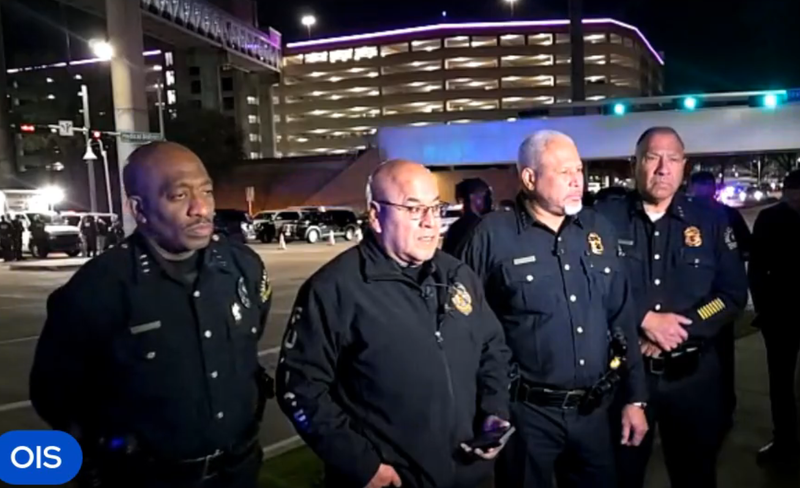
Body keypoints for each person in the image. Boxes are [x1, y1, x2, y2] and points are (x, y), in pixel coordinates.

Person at [30, 141, 273, 488]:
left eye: (206, 191)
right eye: (179, 196)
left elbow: (252, 341)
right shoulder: (98, 289)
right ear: (139, 210)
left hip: (239, 471)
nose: (200, 208)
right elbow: (55, 394)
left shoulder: (243, 268)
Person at [276, 159, 512, 488]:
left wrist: (494, 410)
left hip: (470, 472)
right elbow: (300, 389)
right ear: (375, 215)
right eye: (414, 209)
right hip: (395, 479)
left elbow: (492, 348)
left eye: (436, 207)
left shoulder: (458, 275)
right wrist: (362, 465)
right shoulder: (335, 289)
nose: (431, 223)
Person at [457, 130, 648, 488]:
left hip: (596, 413)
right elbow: (464, 330)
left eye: (579, 169)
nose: (577, 180)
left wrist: (635, 398)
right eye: (564, 172)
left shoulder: (598, 230)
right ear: (529, 178)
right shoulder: (492, 236)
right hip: (526, 416)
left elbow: (621, 315)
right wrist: (489, 407)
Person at [594, 127, 748, 488]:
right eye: (652, 157)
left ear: (684, 166)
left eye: (673, 159)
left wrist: (680, 329)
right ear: (635, 164)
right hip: (626, 376)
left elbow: (731, 295)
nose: (663, 168)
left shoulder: (710, 220)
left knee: (695, 474)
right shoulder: (604, 220)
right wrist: (644, 320)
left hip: (693, 378)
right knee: (621, 474)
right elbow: (594, 290)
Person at [688, 170, 751, 426]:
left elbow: (746, 249)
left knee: (722, 360)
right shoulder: (679, 216)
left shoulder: (727, 215)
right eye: (698, 189)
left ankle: (724, 409)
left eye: (706, 189)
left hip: (717, 304)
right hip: (687, 307)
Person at [748, 169, 800, 464]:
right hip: (780, 312)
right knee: (780, 381)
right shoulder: (769, 219)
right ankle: (785, 439)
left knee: (782, 381)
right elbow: (756, 268)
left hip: (780, 310)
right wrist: (763, 308)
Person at [441, 178, 493, 255]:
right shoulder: (458, 229)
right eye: (483, 195)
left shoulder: (494, 223)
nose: (489, 199)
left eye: (488, 195)